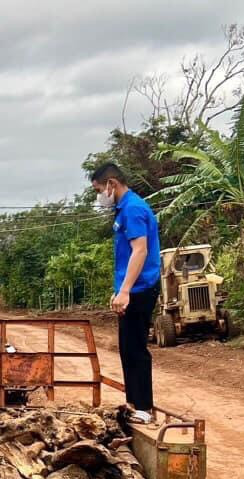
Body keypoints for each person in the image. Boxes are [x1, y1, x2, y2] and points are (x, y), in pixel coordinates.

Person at [91, 162, 161, 423]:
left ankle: (143, 408)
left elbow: (140, 251)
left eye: (99, 189)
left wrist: (126, 291)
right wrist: (119, 290)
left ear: (112, 184)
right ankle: (134, 404)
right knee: (127, 348)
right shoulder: (124, 209)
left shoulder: (133, 209)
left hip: (141, 288)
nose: (99, 195)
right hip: (133, 288)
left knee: (136, 348)